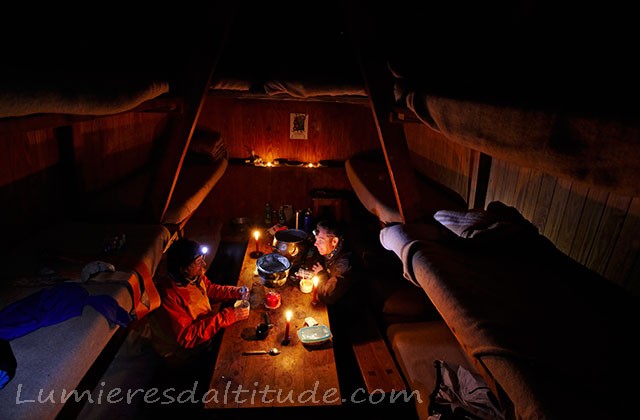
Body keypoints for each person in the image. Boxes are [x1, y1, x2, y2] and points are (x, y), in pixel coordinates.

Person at [148, 238, 249, 364]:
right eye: (199, 262)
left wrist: (234, 292)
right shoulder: (169, 295)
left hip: (205, 329)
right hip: (182, 353)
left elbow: (208, 290)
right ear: (183, 268)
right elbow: (187, 336)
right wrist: (226, 317)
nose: (204, 265)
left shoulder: (192, 277)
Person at [310, 219, 355, 305]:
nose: (315, 244)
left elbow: (327, 296)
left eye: (320, 241)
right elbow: (316, 256)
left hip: (344, 307)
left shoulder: (342, 266)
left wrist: (321, 274)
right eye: (316, 239)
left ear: (334, 241)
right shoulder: (331, 248)